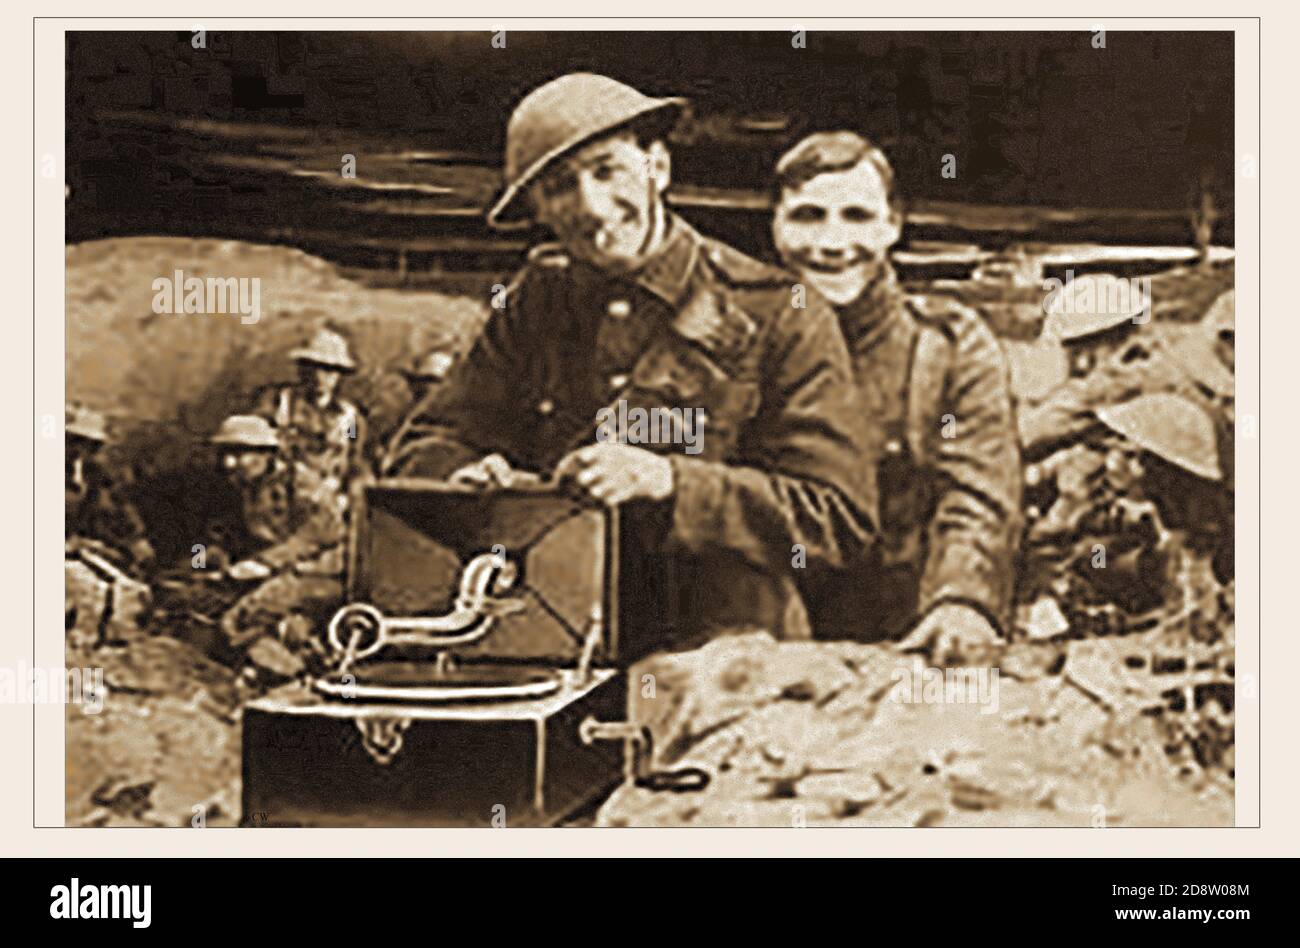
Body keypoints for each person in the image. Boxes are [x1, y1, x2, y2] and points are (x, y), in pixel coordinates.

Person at [390, 73, 875, 647]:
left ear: (657, 169)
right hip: (556, 646)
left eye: (607, 170)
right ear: (539, 209)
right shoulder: (536, 302)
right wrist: (465, 479)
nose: (592, 208)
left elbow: (839, 518)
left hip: (723, 671)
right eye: (559, 186)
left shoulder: (778, 311)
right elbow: (421, 447)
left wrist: (670, 481)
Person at [769, 131, 1022, 661]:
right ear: (776, 226)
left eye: (857, 216)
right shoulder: (737, 337)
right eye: (809, 216)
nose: (833, 243)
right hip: (765, 648)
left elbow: (977, 490)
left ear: (893, 225)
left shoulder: (947, 343)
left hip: (911, 643)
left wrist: (961, 600)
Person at [204, 415, 346, 662]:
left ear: (267, 455)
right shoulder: (237, 485)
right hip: (268, 572)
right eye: (225, 454)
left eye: (239, 455)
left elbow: (323, 531)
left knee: (241, 619)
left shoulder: (302, 482)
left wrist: (265, 563)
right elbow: (214, 532)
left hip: (317, 573)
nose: (228, 463)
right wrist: (206, 558)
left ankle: (293, 662)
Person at [255, 327, 367, 506]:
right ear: (301, 369)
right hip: (281, 496)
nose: (319, 378)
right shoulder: (279, 403)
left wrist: (348, 490)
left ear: (339, 375)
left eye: (329, 371)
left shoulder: (349, 419)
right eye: (312, 369)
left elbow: (353, 455)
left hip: (329, 499)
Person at [378, 349, 456, 475]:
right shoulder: (352, 421)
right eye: (419, 381)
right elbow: (354, 446)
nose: (424, 387)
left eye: (432, 381)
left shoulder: (449, 427)